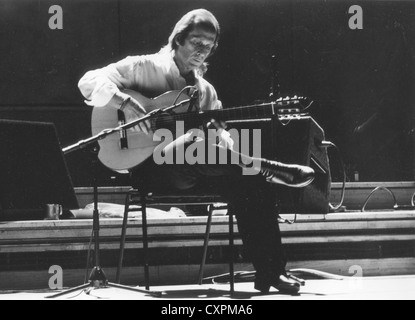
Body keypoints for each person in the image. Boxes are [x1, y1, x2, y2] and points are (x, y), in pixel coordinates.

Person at [78, 9, 314, 294]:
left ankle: (271, 273)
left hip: (195, 170)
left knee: (251, 182)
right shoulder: (143, 67)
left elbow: (220, 144)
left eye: (209, 45)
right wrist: (124, 102)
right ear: (178, 39)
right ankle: (265, 166)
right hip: (148, 169)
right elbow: (89, 81)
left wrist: (218, 132)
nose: (202, 51)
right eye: (196, 42)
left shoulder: (205, 92)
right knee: (199, 143)